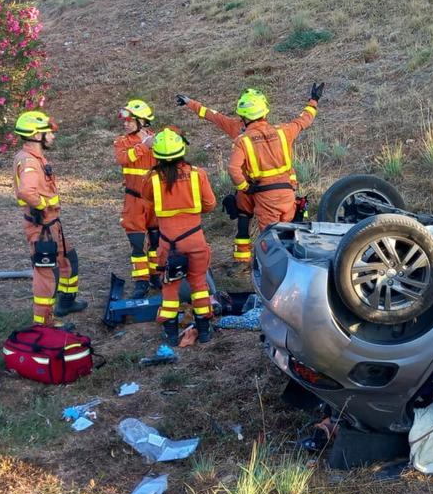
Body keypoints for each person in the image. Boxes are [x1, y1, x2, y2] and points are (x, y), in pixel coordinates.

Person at [176, 84, 323, 269]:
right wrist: (314, 101)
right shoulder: (283, 131)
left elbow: (214, 117)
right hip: (286, 193)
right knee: (287, 234)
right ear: (264, 111)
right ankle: (286, 265)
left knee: (268, 238)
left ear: (244, 116)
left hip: (261, 193)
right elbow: (304, 119)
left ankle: (263, 268)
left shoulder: (242, 136)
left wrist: (245, 187)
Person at [140, 128, 217, 345]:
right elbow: (210, 204)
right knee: (199, 284)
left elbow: (147, 201)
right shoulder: (197, 174)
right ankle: (204, 331)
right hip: (195, 240)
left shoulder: (152, 179)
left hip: (169, 244)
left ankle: (171, 334)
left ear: (157, 155)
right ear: (182, 150)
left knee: (170, 287)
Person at [12, 110, 86, 326]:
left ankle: (66, 302)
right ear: (37, 135)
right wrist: (44, 205)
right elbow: (26, 192)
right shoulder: (29, 162)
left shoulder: (34, 158)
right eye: (48, 133)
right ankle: (45, 324)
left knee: (69, 258)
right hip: (42, 227)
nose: (52, 136)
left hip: (51, 225)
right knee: (47, 275)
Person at [113, 99, 159, 297]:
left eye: (130, 120)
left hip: (155, 200)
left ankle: (156, 275)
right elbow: (122, 158)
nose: (126, 124)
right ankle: (141, 281)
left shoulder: (157, 139)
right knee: (137, 242)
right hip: (134, 200)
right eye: (125, 120)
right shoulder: (122, 141)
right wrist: (144, 146)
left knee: (156, 239)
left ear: (143, 121)